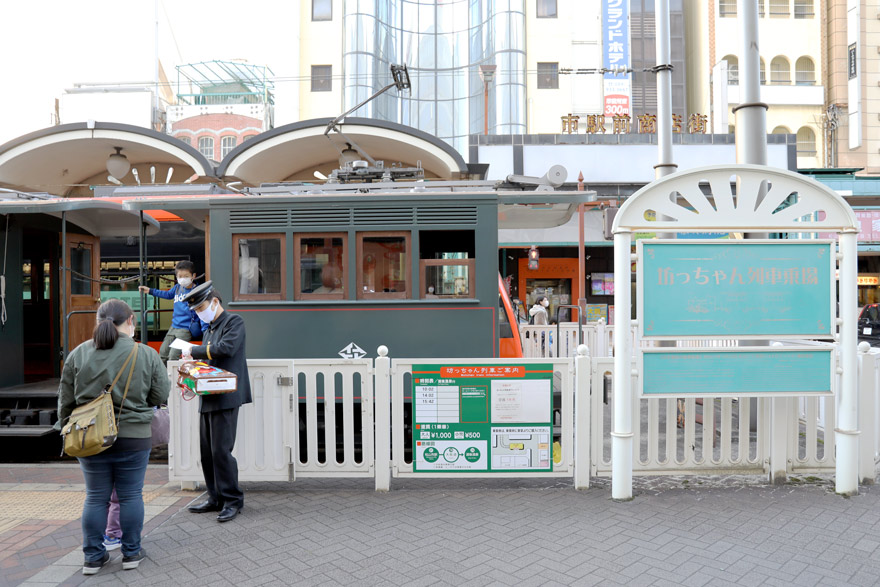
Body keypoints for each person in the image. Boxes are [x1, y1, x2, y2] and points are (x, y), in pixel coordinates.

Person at [56, 299, 169, 575]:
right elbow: (160, 395)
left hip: (90, 437)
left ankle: (93, 558)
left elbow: (65, 401)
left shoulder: (78, 353)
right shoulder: (144, 353)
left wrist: (66, 428)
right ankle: (131, 553)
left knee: (96, 498)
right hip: (134, 437)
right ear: (130, 321)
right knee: (131, 496)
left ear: (98, 321)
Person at [180, 281, 252, 523]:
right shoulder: (210, 328)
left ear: (215, 302)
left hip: (226, 395)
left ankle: (232, 500)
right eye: (197, 310)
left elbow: (226, 348)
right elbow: (210, 356)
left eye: (201, 308)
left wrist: (194, 351)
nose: (200, 313)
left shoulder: (234, 322)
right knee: (207, 452)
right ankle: (215, 497)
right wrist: (193, 364)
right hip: (209, 394)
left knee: (221, 451)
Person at [138, 260, 205, 364]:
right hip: (173, 326)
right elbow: (168, 295)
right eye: (180, 276)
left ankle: (172, 374)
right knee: (162, 353)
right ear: (176, 277)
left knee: (173, 356)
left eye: (186, 276)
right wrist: (150, 291)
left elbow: (202, 311)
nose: (183, 279)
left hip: (185, 329)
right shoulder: (177, 288)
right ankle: (162, 374)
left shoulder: (197, 291)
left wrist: (205, 329)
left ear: (193, 276)